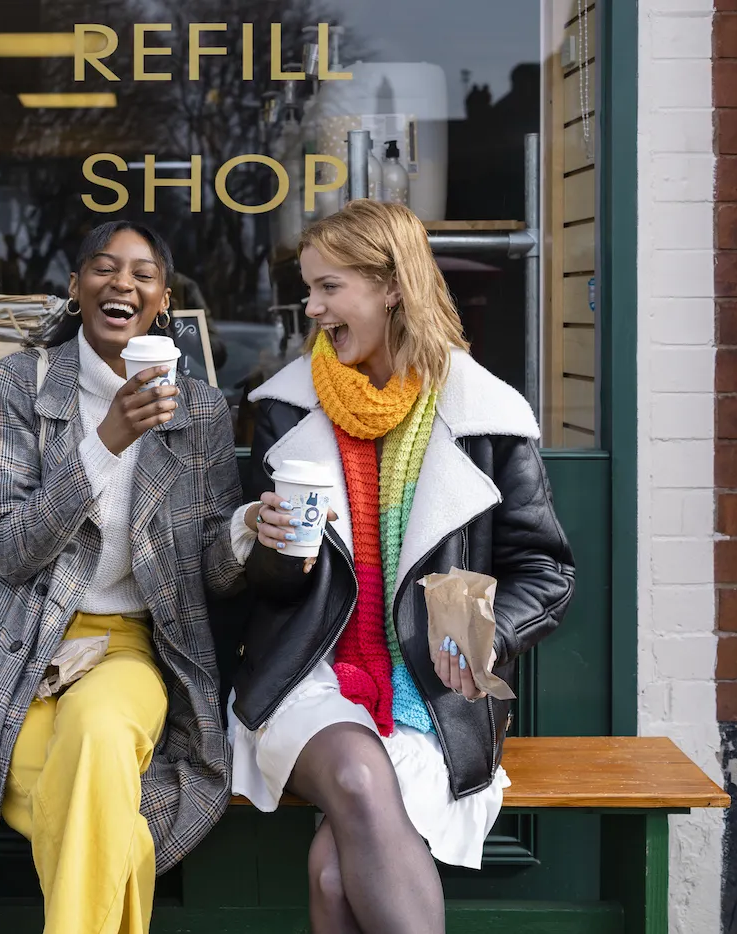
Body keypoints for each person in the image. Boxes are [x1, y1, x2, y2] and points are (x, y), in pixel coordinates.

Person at [0, 220, 249, 934]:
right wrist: (106, 441)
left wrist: (243, 533)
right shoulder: (26, 382)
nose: (123, 284)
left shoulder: (198, 410)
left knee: (102, 735)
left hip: (131, 646)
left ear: (163, 303)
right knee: (100, 797)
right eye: (104, 269)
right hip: (22, 646)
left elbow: (214, 575)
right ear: (76, 288)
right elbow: (12, 549)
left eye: (143, 274)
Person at [229, 200, 575, 933]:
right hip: (309, 675)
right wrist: (266, 543)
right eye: (309, 288)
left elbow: (545, 572)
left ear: (391, 287)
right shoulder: (286, 411)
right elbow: (264, 590)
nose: (313, 307)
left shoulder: (484, 415)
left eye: (331, 287)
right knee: (355, 773)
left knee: (331, 872)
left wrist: (484, 635)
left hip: (432, 692)